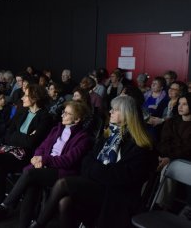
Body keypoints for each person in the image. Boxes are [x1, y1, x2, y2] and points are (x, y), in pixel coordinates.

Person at [26, 95, 152, 228]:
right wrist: (98, 170)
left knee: (63, 183)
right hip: (96, 184)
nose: (110, 112)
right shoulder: (109, 135)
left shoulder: (139, 145)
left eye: (115, 110)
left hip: (115, 195)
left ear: (127, 114)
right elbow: (86, 160)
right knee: (65, 202)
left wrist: (95, 170)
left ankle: (38, 225)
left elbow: (121, 176)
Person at [0, 101, 93, 227]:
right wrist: (36, 157)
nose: (62, 115)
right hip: (44, 165)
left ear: (77, 119)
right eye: (63, 112)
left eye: (67, 113)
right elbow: (41, 147)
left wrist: (44, 160)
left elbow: (68, 161)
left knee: (30, 174)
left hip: (62, 172)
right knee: (32, 185)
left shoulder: (83, 138)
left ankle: (5, 206)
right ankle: (24, 224)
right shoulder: (56, 129)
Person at [155, 93, 191, 209]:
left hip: (185, 159)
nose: (180, 107)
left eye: (185, 104)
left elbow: (188, 148)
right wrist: (164, 156)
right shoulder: (171, 122)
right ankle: (144, 198)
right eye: (179, 103)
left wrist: (170, 158)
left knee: (169, 168)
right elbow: (164, 141)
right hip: (167, 155)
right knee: (148, 160)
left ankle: (161, 206)